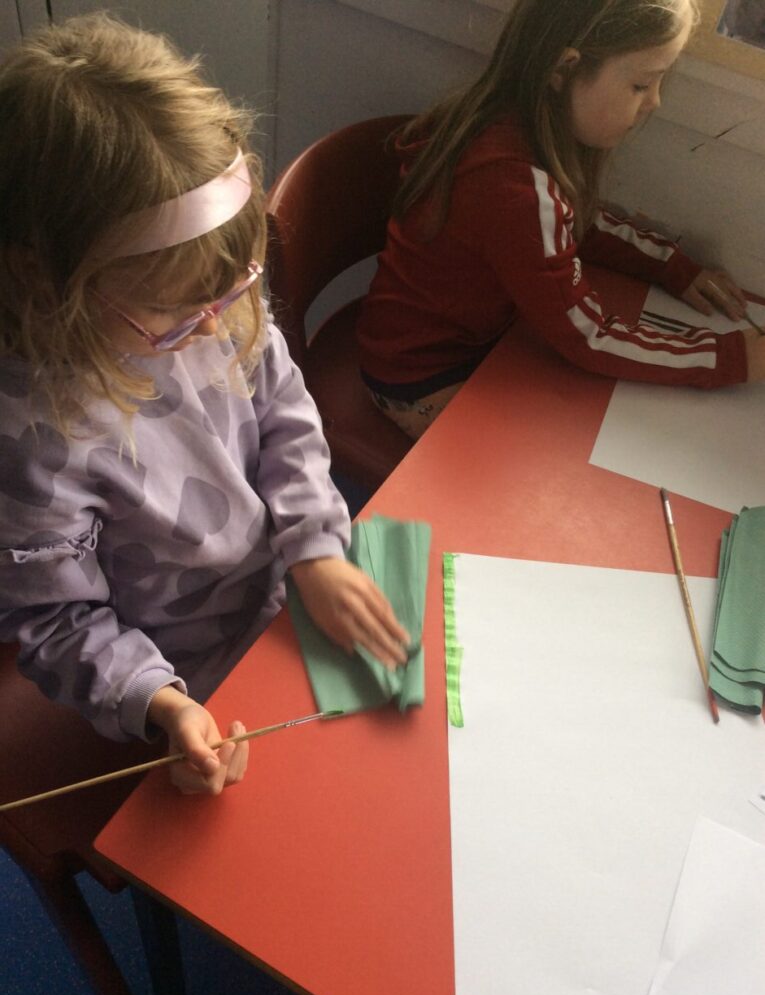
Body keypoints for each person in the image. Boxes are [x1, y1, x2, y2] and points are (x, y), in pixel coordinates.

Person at [0, 14, 409, 796]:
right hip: (176, 673)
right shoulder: (30, 445)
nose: (216, 326)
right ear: (41, 281)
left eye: (232, 289)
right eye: (174, 311)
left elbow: (285, 414)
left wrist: (315, 548)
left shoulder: (206, 305)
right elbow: (55, 622)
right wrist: (163, 707)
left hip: (288, 586)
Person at [357, 0, 765, 439]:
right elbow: (589, 336)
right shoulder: (512, 186)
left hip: (464, 344)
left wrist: (671, 266)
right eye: (641, 84)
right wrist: (727, 357)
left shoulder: (514, 127)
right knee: (551, 454)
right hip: (419, 378)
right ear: (563, 68)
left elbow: (577, 222)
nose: (655, 102)